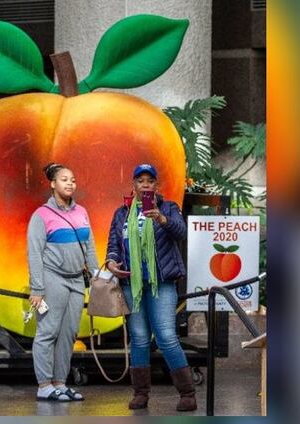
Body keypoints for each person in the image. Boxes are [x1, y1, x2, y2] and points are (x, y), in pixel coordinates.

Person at [105, 163, 197, 411]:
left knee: (166, 336)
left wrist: (163, 218)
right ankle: (140, 394)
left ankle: (187, 394)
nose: (145, 184)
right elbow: (113, 243)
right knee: (139, 339)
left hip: (162, 283)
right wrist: (112, 262)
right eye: (140, 180)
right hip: (131, 283)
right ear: (133, 185)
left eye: (150, 181)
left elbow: (181, 232)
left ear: (156, 185)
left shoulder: (168, 207)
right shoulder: (121, 213)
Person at [27, 163, 98, 402]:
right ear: (52, 184)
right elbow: (34, 253)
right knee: (48, 332)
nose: (70, 183)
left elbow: (89, 246)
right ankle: (44, 385)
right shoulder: (41, 216)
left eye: (73, 180)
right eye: (64, 179)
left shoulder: (82, 212)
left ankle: (60, 383)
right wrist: (37, 288)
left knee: (69, 333)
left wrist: (97, 273)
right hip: (52, 277)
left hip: (77, 279)